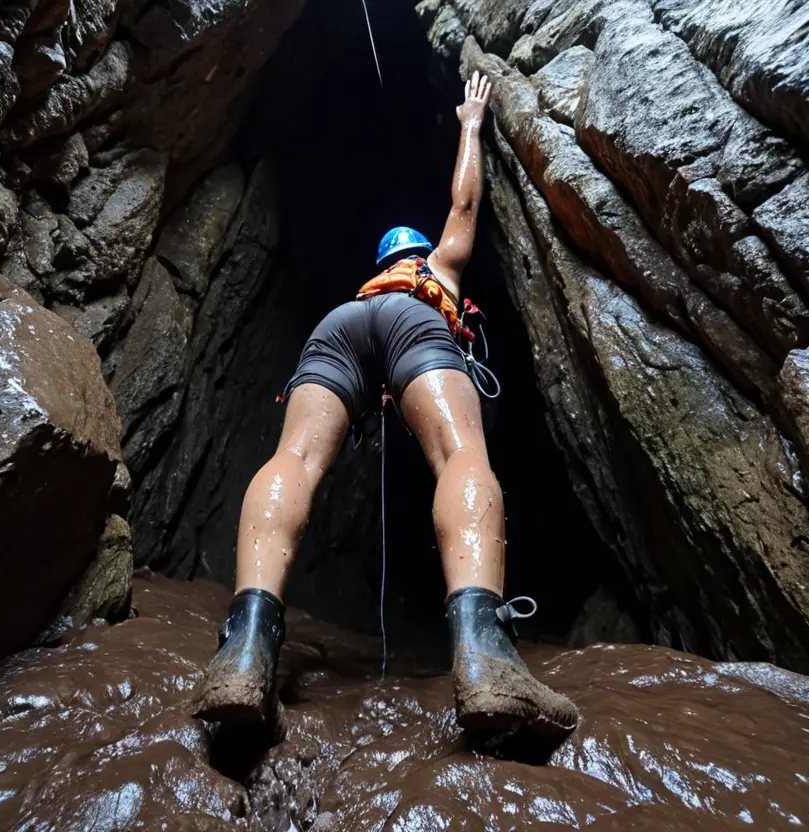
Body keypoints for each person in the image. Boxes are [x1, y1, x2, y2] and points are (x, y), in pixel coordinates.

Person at [189, 71, 579, 741]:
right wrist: (470, 124)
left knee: (296, 457)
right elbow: (463, 205)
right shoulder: (436, 273)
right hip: (415, 326)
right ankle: (486, 655)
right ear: (417, 255)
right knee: (461, 454)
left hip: (337, 331)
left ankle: (246, 649)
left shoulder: (366, 292)